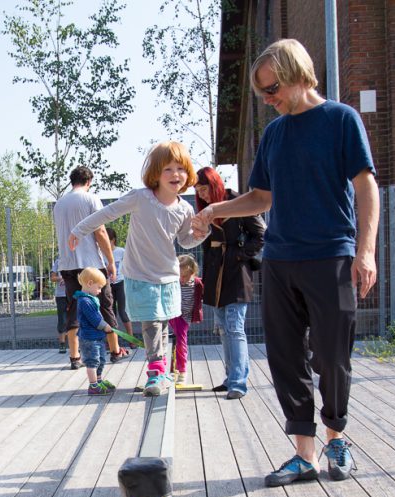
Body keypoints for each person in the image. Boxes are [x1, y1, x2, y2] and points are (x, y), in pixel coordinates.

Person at [191, 39, 378, 485]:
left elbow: (366, 187)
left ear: (297, 74)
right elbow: (260, 197)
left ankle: (336, 439)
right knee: (284, 358)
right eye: (261, 93)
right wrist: (214, 210)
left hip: (332, 255)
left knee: (332, 356)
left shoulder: (340, 120)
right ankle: (303, 454)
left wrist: (366, 251)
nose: (267, 99)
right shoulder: (273, 134)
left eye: (272, 89)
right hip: (280, 259)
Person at [70, 141, 208, 397]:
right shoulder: (141, 197)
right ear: (155, 173)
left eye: (180, 168)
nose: (174, 174)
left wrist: (202, 232)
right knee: (151, 323)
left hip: (168, 275)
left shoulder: (184, 208)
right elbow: (107, 213)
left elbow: (186, 240)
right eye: (167, 169)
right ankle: (156, 372)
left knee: (163, 323)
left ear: (187, 173)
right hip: (140, 274)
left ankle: (162, 370)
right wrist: (79, 229)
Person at [194, 166, 265, 400]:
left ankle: (238, 382)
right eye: (198, 191)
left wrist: (240, 255)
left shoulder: (237, 201)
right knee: (223, 329)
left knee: (234, 327)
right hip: (215, 275)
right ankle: (230, 378)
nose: (202, 194)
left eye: (204, 188)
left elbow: (261, 235)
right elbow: (204, 243)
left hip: (236, 273)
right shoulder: (205, 210)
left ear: (213, 184)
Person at [53, 165, 124, 370]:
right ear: (89, 181)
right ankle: (115, 351)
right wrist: (110, 261)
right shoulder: (91, 199)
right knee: (105, 305)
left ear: (71, 180)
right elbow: (100, 231)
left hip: (67, 265)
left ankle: (75, 357)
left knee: (74, 308)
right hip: (91, 263)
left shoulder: (59, 204)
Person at [74, 267, 115, 395]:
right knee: (92, 361)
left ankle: (98, 381)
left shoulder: (90, 299)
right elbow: (94, 318)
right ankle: (93, 386)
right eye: (99, 287)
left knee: (101, 359)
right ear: (90, 283)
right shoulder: (85, 301)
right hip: (89, 338)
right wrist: (105, 326)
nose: (100, 291)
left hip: (96, 337)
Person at [168, 254, 203, 386]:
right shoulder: (174, 281)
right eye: (179, 276)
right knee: (173, 340)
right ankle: (174, 369)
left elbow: (200, 298)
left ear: (193, 273)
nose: (182, 279)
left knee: (181, 342)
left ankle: (181, 371)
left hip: (185, 317)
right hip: (173, 313)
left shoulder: (197, 283)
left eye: (185, 276)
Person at [105, 227, 135, 341]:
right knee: (110, 313)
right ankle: (112, 341)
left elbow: (129, 265)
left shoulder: (121, 251)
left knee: (123, 312)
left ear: (113, 240)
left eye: (108, 239)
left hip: (120, 283)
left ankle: (131, 339)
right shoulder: (102, 253)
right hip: (107, 285)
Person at [50, 258, 67, 353]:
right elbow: (52, 278)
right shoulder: (58, 261)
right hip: (61, 295)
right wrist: (61, 278)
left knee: (75, 319)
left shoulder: (75, 258)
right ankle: (62, 344)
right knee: (62, 319)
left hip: (73, 294)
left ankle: (77, 345)